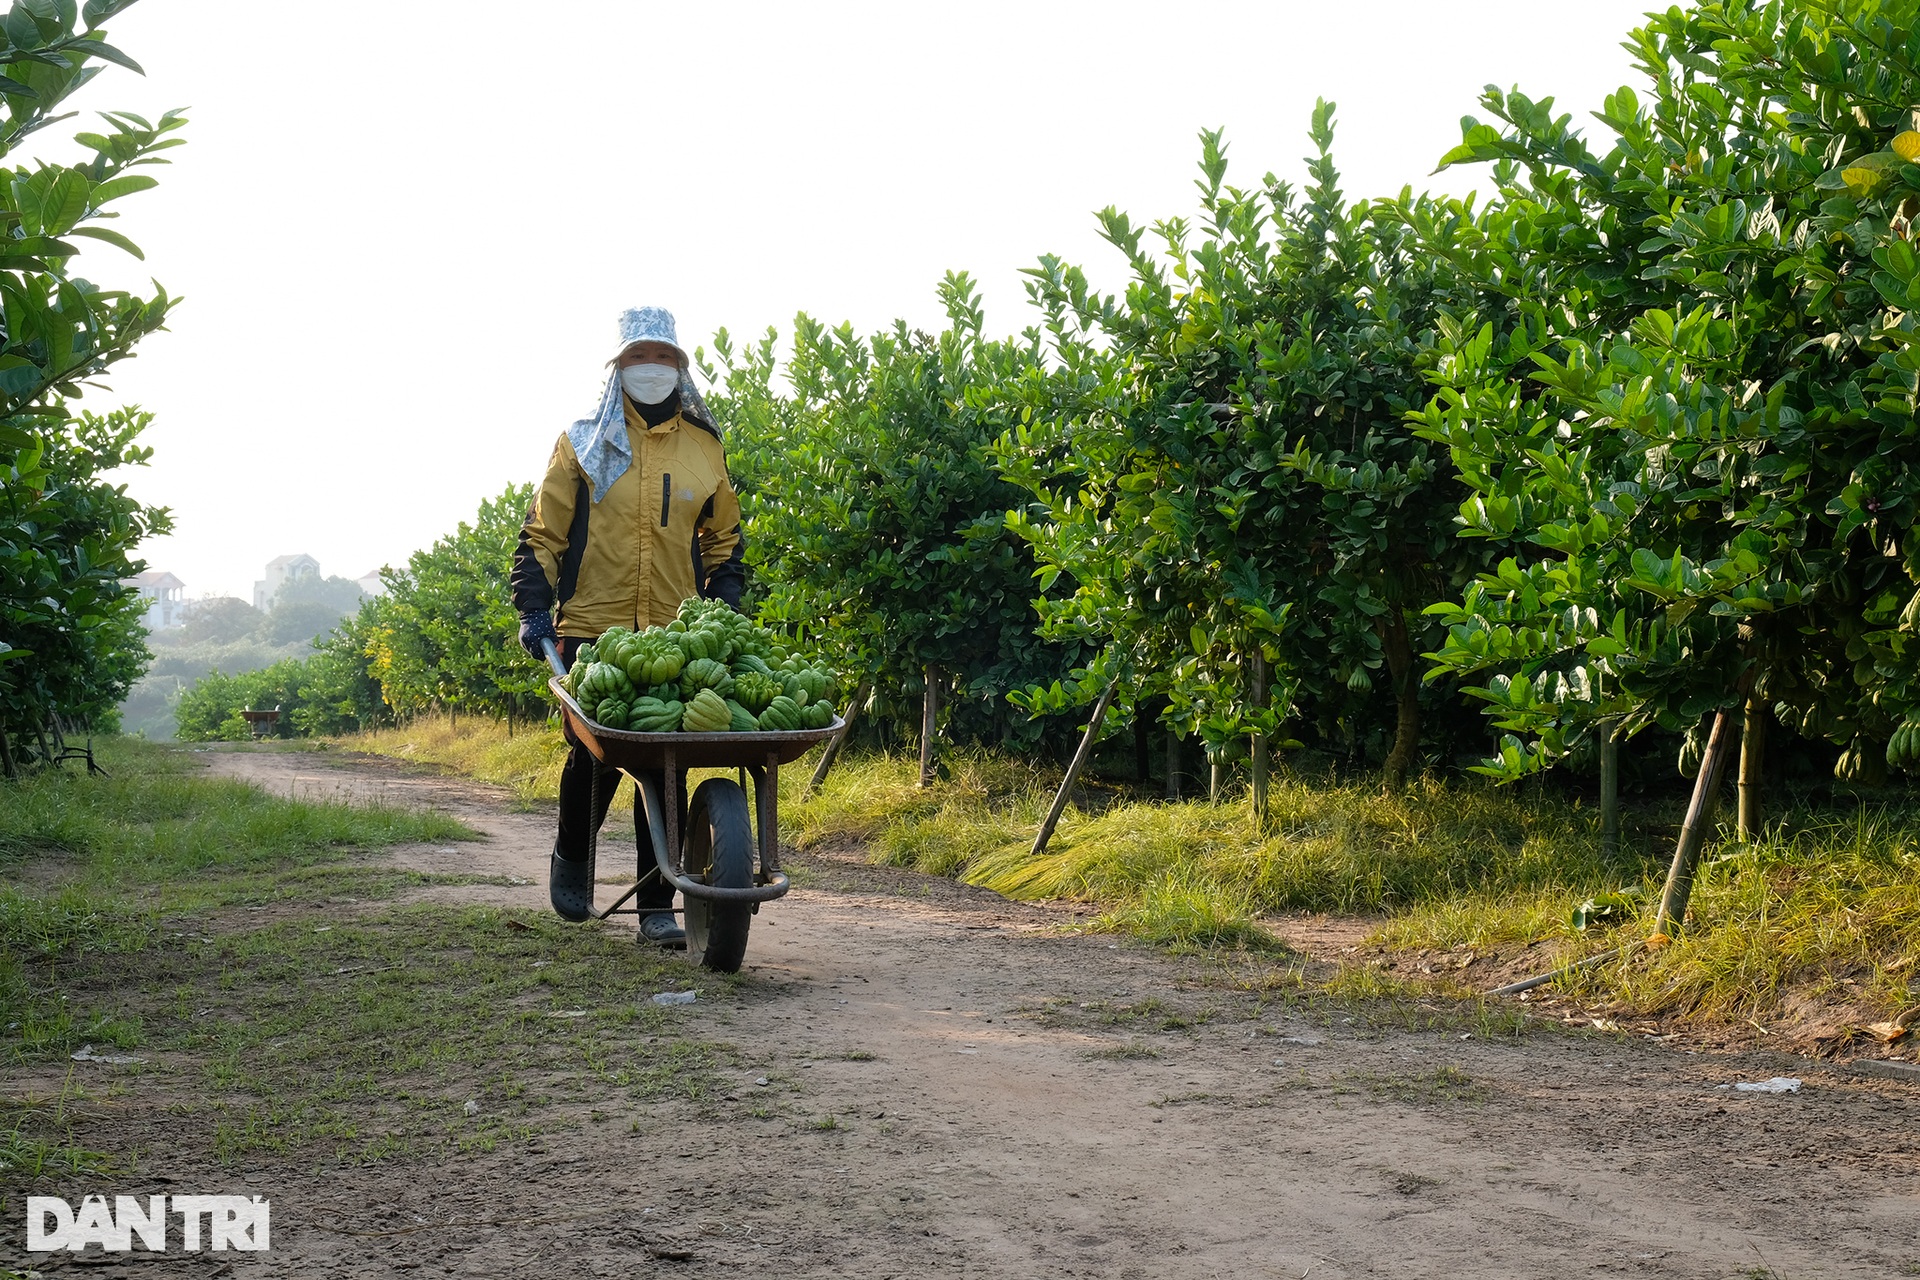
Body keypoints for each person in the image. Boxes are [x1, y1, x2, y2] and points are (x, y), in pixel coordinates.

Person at [510, 307, 746, 946]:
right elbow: (543, 533)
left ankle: (656, 907)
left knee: (666, 763)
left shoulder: (704, 447)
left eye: (664, 357)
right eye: (641, 357)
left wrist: (729, 609)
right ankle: (572, 855)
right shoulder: (584, 441)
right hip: (593, 624)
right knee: (597, 757)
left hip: (674, 633)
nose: (653, 368)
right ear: (619, 368)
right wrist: (534, 609)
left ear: (680, 368)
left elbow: (723, 541)